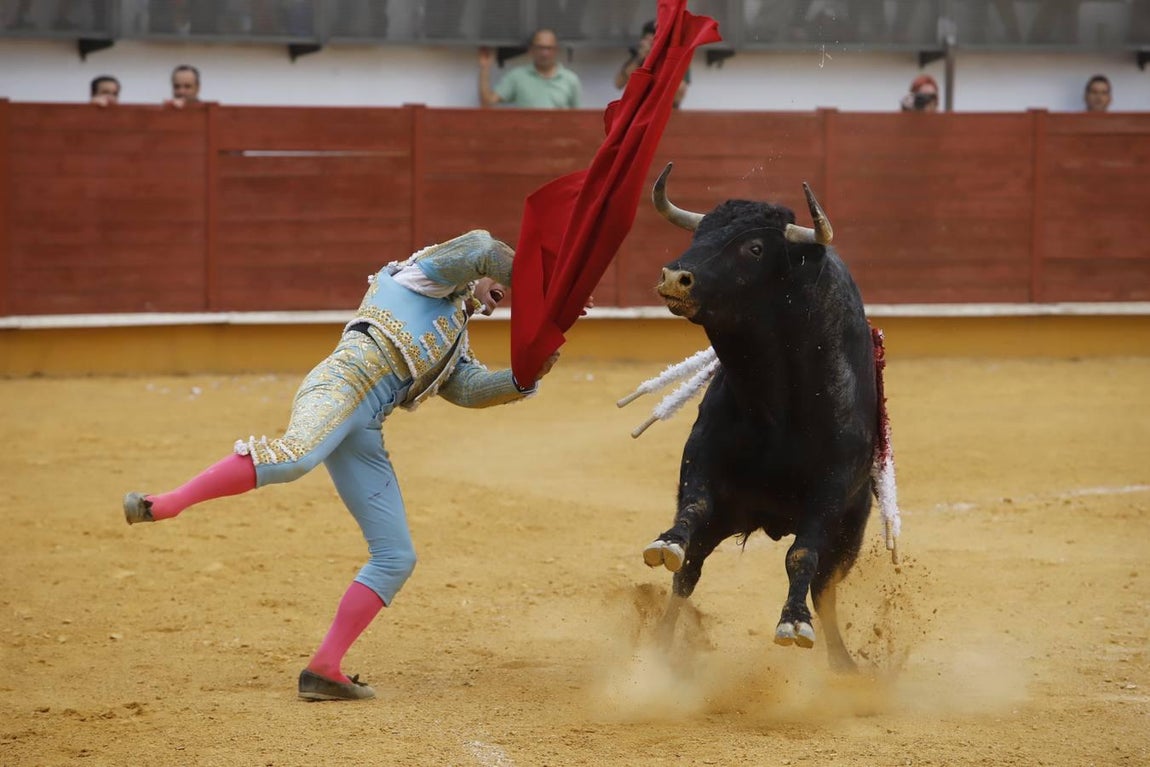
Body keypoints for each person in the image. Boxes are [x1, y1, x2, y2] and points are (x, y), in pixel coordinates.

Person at [122, 230, 562, 702]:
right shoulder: (425, 275)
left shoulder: (454, 338)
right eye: (501, 283)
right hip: (342, 381)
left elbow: (470, 388)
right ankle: (166, 503)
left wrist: (525, 374)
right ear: (475, 276)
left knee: (396, 557)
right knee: (294, 456)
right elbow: (481, 248)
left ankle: (324, 668)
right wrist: (545, 286)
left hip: (367, 424)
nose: (503, 294)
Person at [478, 28, 581, 109]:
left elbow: (578, 119)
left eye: (549, 48)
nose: (544, 53)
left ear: (556, 50)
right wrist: (485, 68)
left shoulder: (571, 79)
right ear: (532, 50)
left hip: (560, 135)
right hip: (526, 135)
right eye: (540, 48)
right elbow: (487, 102)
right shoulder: (517, 76)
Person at [614, 20, 689, 109]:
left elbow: (678, 94)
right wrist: (640, 58)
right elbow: (619, 83)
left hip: (664, 113)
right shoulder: (638, 58)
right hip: (639, 112)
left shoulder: (675, 60)